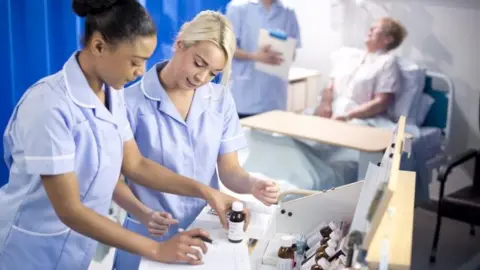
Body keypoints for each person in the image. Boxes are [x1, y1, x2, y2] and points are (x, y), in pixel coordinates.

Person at [0, 1, 245, 269]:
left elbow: (135, 164)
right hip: (25, 251)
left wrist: (207, 193)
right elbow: (69, 209)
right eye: (135, 61)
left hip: (75, 249)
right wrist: (157, 249)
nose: (141, 72)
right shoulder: (48, 103)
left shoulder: (112, 95)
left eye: (145, 61)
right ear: (99, 46)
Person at [113, 10, 280, 270]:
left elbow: (230, 171)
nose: (201, 78)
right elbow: (115, 181)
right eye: (199, 63)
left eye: (213, 73)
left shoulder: (220, 100)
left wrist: (252, 184)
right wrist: (143, 213)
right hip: (149, 234)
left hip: (204, 235)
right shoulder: (128, 103)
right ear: (180, 45)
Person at [314, 17, 407, 123]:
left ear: (388, 39)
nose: (370, 29)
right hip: (330, 111)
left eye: (375, 28)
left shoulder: (387, 62)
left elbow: (381, 102)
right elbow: (329, 87)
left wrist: (347, 116)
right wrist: (325, 104)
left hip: (358, 117)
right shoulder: (349, 55)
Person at [226, 0, 301, 118]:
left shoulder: (288, 12)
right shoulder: (238, 7)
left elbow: (293, 50)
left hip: (276, 101)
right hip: (245, 99)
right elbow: (227, 48)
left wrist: (284, 54)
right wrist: (255, 56)